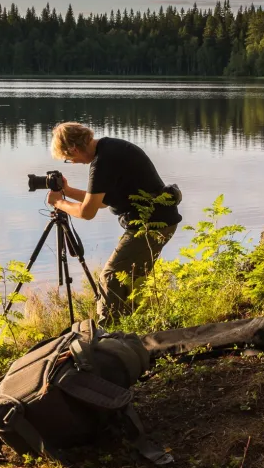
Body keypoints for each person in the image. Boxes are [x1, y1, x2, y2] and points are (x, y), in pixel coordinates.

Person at [46, 122, 182, 326]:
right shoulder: (110, 148)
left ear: (73, 149)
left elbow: (87, 212)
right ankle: (133, 330)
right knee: (131, 283)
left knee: (111, 277)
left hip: (151, 225)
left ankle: (107, 334)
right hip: (159, 221)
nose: (72, 163)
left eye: (68, 158)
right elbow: (100, 201)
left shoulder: (102, 162)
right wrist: (68, 191)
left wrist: (58, 202)